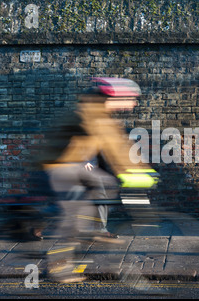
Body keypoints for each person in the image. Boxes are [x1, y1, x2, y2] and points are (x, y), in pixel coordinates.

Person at [41, 77, 157, 283]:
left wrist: (141, 170)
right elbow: (116, 148)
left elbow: (121, 146)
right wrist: (136, 172)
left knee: (107, 183)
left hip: (74, 166)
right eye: (132, 98)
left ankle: (93, 226)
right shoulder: (94, 114)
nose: (134, 103)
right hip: (59, 167)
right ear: (117, 97)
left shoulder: (101, 113)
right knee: (77, 214)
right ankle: (58, 266)